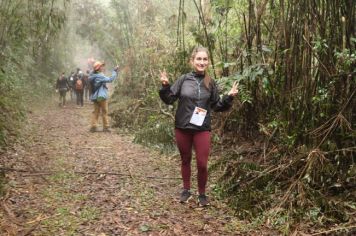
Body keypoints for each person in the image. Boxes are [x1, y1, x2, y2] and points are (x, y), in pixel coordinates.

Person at [159, 46, 238, 207]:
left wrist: (229, 97)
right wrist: (166, 86)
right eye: (199, 59)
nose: (201, 62)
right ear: (192, 61)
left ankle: (202, 193)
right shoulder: (183, 79)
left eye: (204, 59)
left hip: (202, 128)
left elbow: (216, 105)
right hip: (182, 127)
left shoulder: (210, 82)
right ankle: (186, 190)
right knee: (185, 159)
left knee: (202, 163)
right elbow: (169, 99)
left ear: (208, 62)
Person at [89, 61, 119, 132]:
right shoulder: (100, 76)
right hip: (101, 96)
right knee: (104, 111)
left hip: (95, 96)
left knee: (96, 112)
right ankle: (106, 127)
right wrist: (114, 71)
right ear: (98, 68)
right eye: (101, 66)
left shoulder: (92, 75)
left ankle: (93, 126)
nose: (102, 67)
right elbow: (110, 80)